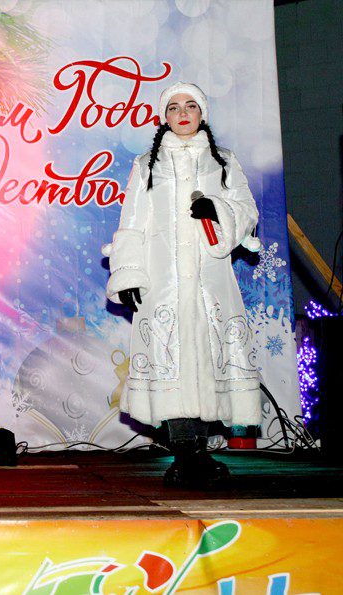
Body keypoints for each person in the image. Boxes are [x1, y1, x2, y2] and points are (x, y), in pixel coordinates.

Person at [103, 82, 262, 487]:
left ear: (202, 113)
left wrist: (218, 209)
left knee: (207, 357)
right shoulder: (146, 165)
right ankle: (184, 452)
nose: (183, 113)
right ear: (165, 117)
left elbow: (247, 210)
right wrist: (129, 272)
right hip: (164, 284)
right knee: (171, 358)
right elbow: (132, 223)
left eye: (191, 105)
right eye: (174, 107)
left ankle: (200, 452)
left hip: (211, 283)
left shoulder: (223, 162)